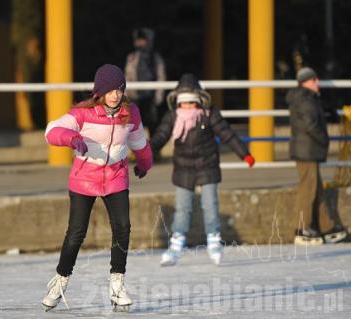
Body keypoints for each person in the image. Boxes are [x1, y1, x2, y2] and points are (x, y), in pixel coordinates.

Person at [42, 64, 153, 312]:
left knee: (123, 227)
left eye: (120, 89)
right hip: (84, 178)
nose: (115, 95)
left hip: (116, 176)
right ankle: (60, 281)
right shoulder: (83, 114)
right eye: (110, 90)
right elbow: (51, 131)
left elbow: (138, 141)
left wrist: (145, 163)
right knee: (76, 233)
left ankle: (117, 284)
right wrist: (73, 139)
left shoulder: (130, 113)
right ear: (100, 91)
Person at [150, 74, 255, 266]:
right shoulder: (173, 117)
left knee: (210, 205)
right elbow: (161, 135)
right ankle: (176, 243)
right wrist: (146, 151)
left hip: (207, 165)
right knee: (183, 208)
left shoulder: (209, 114)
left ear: (199, 101)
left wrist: (244, 154)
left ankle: (214, 240)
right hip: (184, 168)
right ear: (177, 102)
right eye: (183, 103)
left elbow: (227, 134)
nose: (187, 107)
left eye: (191, 103)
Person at [286, 67, 347, 245]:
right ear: (304, 82)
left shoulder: (309, 98)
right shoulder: (303, 99)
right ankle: (301, 228)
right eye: (313, 80)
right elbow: (309, 123)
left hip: (309, 150)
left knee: (317, 189)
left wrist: (330, 112)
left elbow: (316, 115)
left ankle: (326, 227)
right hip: (307, 151)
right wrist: (324, 139)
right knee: (308, 189)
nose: (317, 82)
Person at [124, 27, 166, 141]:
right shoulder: (131, 57)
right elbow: (127, 76)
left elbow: (161, 77)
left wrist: (158, 96)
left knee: (152, 124)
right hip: (134, 97)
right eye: (137, 40)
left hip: (150, 97)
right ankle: (137, 151)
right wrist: (126, 95)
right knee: (135, 124)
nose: (139, 43)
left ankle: (153, 150)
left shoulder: (155, 58)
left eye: (142, 40)